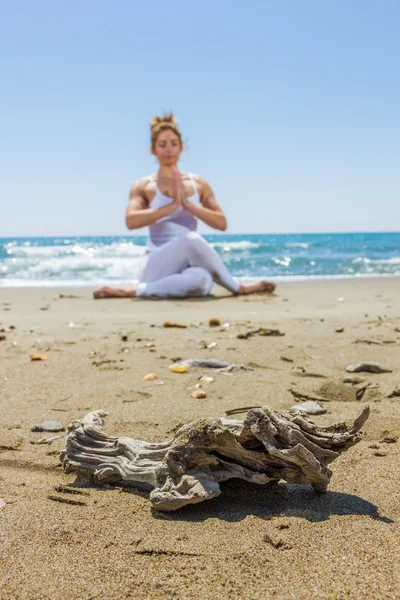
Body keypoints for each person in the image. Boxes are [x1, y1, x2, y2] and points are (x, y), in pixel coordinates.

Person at [94, 114, 276, 299]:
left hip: (187, 265)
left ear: (181, 147)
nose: (168, 149)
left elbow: (221, 223)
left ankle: (134, 290)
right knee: (191, 239)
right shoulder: (144, 185)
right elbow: (131, 221)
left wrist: (189, 205)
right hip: (156, 264)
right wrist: (171, 207)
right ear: (153, 149)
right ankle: (239, 288)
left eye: (173, 143)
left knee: (202, 279)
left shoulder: (198, 183)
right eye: (162, 144)